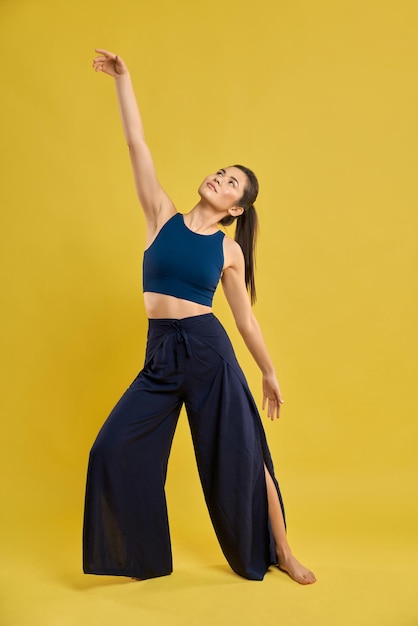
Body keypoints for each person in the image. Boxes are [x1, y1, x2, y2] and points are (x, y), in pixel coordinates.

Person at [83, 48, 316, 585]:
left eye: (232, 183)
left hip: (210, 354)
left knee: (247, 454)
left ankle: (281, 549)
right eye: (221, 172)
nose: (220, 179)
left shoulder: (228, 250)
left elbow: (246, 322)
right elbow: (135, 144)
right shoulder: (160, 214)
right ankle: (141, 558)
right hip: (161, 353)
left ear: (237, 209)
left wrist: (269, 371)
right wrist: (124, 80)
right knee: (111, 449)